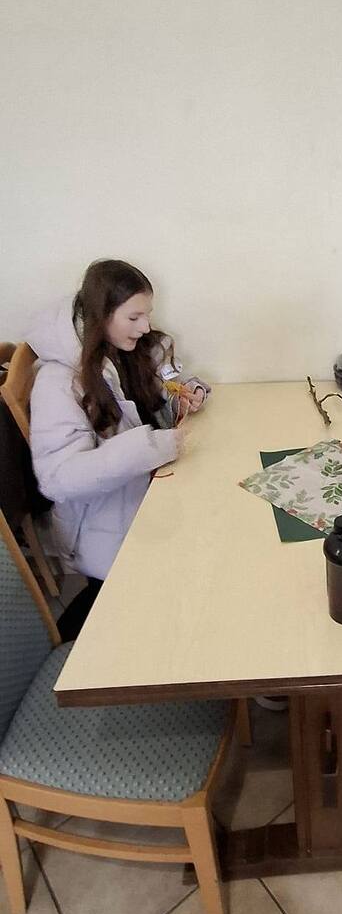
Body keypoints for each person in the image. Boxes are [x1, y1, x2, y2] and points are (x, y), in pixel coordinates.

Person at [28, 259, 204, 638]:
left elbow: (168, 380)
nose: (145, 327)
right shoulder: (57, 382)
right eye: (134, 317)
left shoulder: (129, 349)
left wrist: (187, 394)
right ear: (101, 315)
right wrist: (148, 447)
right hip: (104, 527)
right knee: (197, 569)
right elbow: (58, 478)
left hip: (147, 491)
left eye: (147, 315)